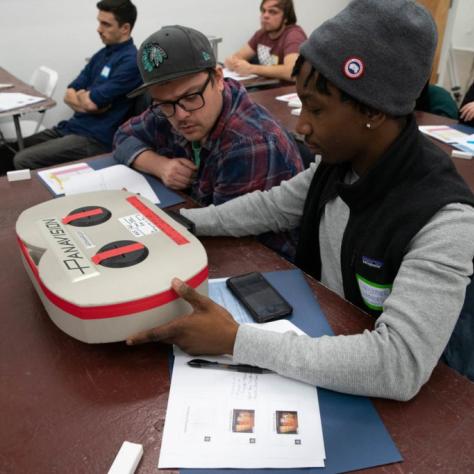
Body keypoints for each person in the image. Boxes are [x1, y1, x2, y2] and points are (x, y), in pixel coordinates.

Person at [126, 0, 474, 401]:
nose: (301, 124)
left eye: (316, 108)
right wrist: (190, 222)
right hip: (329, 330)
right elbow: (271, 205)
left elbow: (399, 364)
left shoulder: (445, 219)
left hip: (410, 402)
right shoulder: (338, 164)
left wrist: (236, 340)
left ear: (375, 111)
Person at [113, 25, 303, 258]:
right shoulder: (170, 108)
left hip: (259, 262)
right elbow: (122, 136)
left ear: (218, 78)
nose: (181, 115)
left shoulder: (250, 143)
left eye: (191, 97)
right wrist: (159, 165)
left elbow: (222, 235)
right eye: (164, 103)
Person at [13, 0, 142, 170]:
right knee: (8, 150)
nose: (98, 29)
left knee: (22, 159)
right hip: (71, 128)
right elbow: (69, 92)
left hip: (95, 139)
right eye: (99, 22)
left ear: (125, 28)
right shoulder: (103, 54)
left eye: (106, 24)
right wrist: (88, 103)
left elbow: (90, 102)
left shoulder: (131, 61)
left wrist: (87, 100)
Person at [224, 0, 306, 82]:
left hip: (286, 90)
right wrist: (232, 62)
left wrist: (251, 68)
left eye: (273, 12)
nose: (265, 15)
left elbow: (292, 71)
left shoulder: (294, 35)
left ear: (286, 18)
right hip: (266, 86)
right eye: (263, 11)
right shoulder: (261, 34)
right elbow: (237, 56)